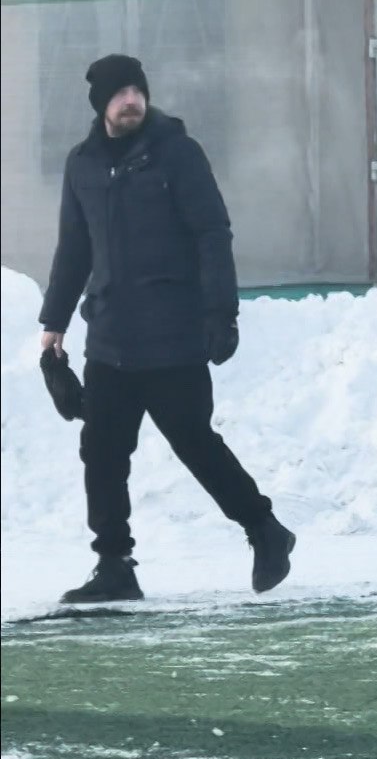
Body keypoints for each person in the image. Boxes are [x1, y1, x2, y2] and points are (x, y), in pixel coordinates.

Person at [38, 54, 297, 604]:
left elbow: (212, 233)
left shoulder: (177, 153)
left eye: (137, 90)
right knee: (101, 452)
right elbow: (75, 247)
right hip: (110, 337)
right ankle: (114, 565)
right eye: (119, 93)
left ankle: (264, 529)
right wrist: (53, 322)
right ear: (100, 103)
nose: (131, 100)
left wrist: (221, 313)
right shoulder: (82, 164)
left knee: (195, 443)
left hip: (172, 335)